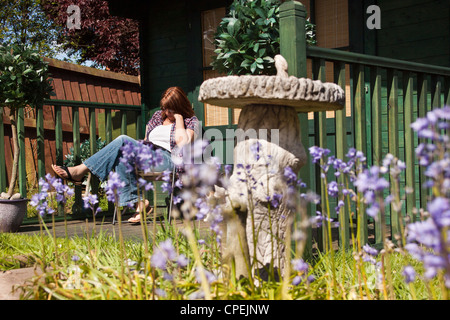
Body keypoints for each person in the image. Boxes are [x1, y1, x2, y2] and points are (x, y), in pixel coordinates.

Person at [51, 86, 200, 223]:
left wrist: (179, 118)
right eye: (165, 108)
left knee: (123, 140)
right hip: (148, 153)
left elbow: (183, 145)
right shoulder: (157, 118)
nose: (167, 112)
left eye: (171, 109)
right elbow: (147, 139)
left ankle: (80, 171)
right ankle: (140, 204)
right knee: (123, 154)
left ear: (179, 106)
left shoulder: (190, 121)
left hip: (168, 159)